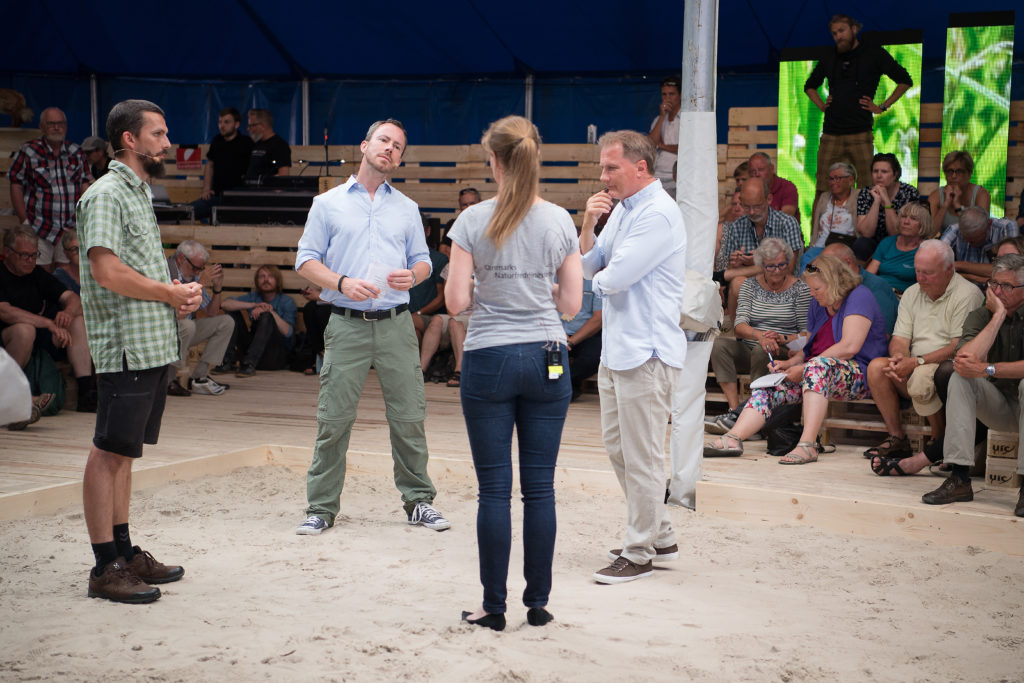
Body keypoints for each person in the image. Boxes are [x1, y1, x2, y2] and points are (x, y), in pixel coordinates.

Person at [446, 115, 581, 631]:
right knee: (540, 490)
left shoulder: (471, 220)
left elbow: (456, 301)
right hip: (546, 353)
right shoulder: (559, 220)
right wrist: (535, 292)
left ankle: (493, 607)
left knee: (494, 491)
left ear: (495, 162)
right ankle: (539, 602)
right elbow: (571, 305)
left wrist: (491, 291)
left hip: (489, 357)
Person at [293, 118, 449, 536]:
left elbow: (422, 260)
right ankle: (321, 508)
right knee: (334, 419)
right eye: (384, 140)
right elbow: (305, 260)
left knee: (410, 416)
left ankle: (419, 501)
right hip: (346, 323)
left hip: (397, 324)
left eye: (398, 145)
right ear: (365, 145)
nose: (390, 149)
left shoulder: (408, 208)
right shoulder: (327, 204)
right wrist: (341, 282)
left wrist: (413, 277)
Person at [77, 99, 203, 603]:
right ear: (130, 140)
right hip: (126, 347)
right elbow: (106, 272)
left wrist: (176, 295)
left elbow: (136, 274)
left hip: (151, 343)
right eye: (159, 133)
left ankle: (125, 553)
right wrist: (169, 293)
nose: (167, 142)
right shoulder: (106, 193)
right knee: (108, 452)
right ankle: (104, 565)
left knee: (125, 454)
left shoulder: (137, 193)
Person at [580, 130, 687, 584]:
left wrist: (576, 284)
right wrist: (587, 224)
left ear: (640, 168)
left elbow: (614, 277)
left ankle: (639, 552)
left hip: (647, 350)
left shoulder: (659, 213)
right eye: (602, 168)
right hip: (619, 348)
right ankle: (660, 534)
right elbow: (589, 262)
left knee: (642, 457)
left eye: (611, 168)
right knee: (619, 450)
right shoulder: (622, 209)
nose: (603, 177)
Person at [704, 254, 887, 464]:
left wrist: (805, 366)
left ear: (834, 283)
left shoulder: (859, 296)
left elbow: (849, 346)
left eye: (816, 289)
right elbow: (809, 346)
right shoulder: (819, 304)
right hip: (816, 369)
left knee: (817, 367)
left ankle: (807, 445)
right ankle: (733, 438)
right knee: (770, 386)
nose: (812, 294)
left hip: (859, 373)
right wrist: (789, 364)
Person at [917, 254, 1024, 518]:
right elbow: (965, 361)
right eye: (994, 284)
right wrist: (998, 316)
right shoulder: (982, 314)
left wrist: (989, 369)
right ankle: (960, 478)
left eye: (1008, 287)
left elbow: (980, 366)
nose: (998, 292)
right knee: (960, 377)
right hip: (1000, 407)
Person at [865, 240, 983, 472]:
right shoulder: (911, 293)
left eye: (928, 273)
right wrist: (899, 358)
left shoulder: (967, 294)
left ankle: (938, 442)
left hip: (946, 366)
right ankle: (898, 438)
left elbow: (959, 346)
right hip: (914, 363)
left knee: (921, 377)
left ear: (949, 270)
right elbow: (900, 338)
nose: (920, 278)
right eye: (917, 271)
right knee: (877, 367)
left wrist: (916, 362)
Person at [706, 238, 810, 434]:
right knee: (719, 345)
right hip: (752, 345)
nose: (777, 270)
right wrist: (761, 336)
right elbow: (740, 325)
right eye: (771, 267)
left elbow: (806, 334)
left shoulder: (800, 289)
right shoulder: (750, 286)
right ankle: (735, 410)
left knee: (764, 351)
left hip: (784, 351)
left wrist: (781, 338)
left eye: (782, 265)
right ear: (761, 265)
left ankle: (754, 416)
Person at [804, 14, 912, 201]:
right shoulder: (829, 56)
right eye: (834, 33)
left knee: (866, 188)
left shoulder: (873, 53)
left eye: (842, 31)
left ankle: (864, 230)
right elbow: (809, 86)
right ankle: (819, 230)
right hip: (831, 134)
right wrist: (822, 105)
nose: (838, 36)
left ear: (854, 29)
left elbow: (905, 80)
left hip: (860, 134)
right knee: (823, 188)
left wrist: (882, 106)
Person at [0, 225, 95, 411]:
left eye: (34, 256)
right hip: (7, 340)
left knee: (76, 320)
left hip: (40, 337)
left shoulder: (36, 274)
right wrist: (49, 324)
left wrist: (67, 313)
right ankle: (9, 395)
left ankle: (86, 392)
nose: (29, 260)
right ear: (7, 252)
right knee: (24, 330)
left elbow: (73, 298)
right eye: (24, 255)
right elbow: (6, 312)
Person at [9, 107, 93, 271]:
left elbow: (85, 185)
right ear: (41, 127)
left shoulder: (76, 152)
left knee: (68, 277)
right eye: (51, 124)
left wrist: (82, 218)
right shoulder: (29, 151)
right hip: (39, 227)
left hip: (70, 227)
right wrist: (24, 220)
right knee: (39, 276)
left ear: (66, 126)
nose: (56, 127)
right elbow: (15, 184)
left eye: (60, 123)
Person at [716, 177, 804, 322]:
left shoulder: (787, 223)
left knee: (737, 278)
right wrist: (736, 264)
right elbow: (731, 273)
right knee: (737, 282)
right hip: (752, 286)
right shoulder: (737, 226)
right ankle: (741, 334)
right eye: (746, 206)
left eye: (757, 206)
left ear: (769, 199)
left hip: (782, 287)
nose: (751, 212)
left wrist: (754, 264)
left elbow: (787, 270)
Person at [165, 240, 233, 396]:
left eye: (200, 269)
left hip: (185, 329)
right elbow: (175, 309)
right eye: (195, 267)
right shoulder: (165, 270)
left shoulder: (190, 274)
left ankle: (199, 377)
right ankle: (169, 380)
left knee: (226, 322)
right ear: (181, 258)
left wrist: (217, 287)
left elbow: (211, 313)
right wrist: (201, 282)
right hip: (164, 327)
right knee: (187, 325)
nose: (197, 272)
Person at [218, 265, 296, 377]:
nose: (266, 279)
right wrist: (255, 305)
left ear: (277, 280)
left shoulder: (287, 301)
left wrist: (268, 311)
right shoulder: (253, 297)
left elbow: (288, 332)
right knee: (232, 313)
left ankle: (249, 363)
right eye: (262, 276)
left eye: (270, 276)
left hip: (274, 357)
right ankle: (227, 361)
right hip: (249, 353)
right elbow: (225, 304)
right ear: (257, 281)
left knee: (266, 316)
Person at [854, 153, 920, 262]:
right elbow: (866, 233)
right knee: (861, 244)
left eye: (884, 172)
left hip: (901, 240)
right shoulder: (866, 193)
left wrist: (887, 201)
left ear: (895, 174)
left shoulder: (910, 192)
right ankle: (859, 277)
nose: (879, 175)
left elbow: (896, 232)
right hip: (873, 241)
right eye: (875, 171)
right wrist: (877, 201)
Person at [822, 241, 899, 334]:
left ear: (847, 262)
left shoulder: (875, 286)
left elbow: (883, 334)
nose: (825, 272)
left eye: (829, 266)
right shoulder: (831, 284)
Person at [192, 107, 254, 221]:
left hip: (237, 196)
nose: (222, 125)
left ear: (237, 124)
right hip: (216, 195)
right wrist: (206, 189)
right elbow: (210, 165)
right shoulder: (217, 141)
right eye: (220, 122)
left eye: (226, 122)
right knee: (188, 211)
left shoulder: (246, 143)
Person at [940, 207, 1020, 285]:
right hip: (966, 288)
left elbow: (1009, 270)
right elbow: (938, 264)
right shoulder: (954, 230)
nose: (970, 243)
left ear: (989, 224)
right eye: (966, 238)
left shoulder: (1007, 227)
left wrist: (958, 266)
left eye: (974, 239)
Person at [866, 201, 934, 293]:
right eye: (903, 216)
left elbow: (930, 286)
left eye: (913, 218)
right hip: (878, 290)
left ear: (923, 224)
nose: (906, 222)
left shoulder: (928, 249)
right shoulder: (887, 242)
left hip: (905, 297)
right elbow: (869, 275)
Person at [802, 161, 858, 270]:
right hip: (820, 246)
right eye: (830, 179)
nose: (832, 182)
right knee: (806, 261)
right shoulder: (824, 197)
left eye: (837, 178)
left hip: (845, 246)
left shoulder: (858, 197)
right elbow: (816, 228)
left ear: (850, 180)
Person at [927, 151, 991, 232]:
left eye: (959, 171)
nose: (953, 176)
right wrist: (945, 204)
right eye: (950, 171)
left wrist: (957, 206)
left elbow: (980, 230)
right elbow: (930, 233)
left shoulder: (981, 194)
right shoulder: (936, 195)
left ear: (970, 174)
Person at [648, 76, 681, 197]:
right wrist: (662, 116)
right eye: (664, 94)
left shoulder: (687, 119)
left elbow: (685, 148)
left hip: (676, 179)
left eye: (671, 94)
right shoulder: (658, 119)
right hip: (657, 176)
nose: (667, 98)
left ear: (681, 95)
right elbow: (650, 145)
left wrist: (662, 145)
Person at [748, 152, 798, 218]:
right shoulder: (748, 190)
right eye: (753, 171)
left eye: (761, 170)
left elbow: (785, 217)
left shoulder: (787, 188)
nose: (757, 174)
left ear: (772, 169)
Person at [245, 108, 291, 182]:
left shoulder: (279, 145)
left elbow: (283, 175)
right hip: (249, 189)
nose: (248, 129)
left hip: (266, 191)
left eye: (252, 125)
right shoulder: (256, 144)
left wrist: (264, 183)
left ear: (263, 126)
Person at [53, 229, 81, 295]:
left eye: (83, 248)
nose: (80, 253)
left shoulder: (96, 271)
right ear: (66, 253)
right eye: (74, 249)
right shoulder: (59, 276)